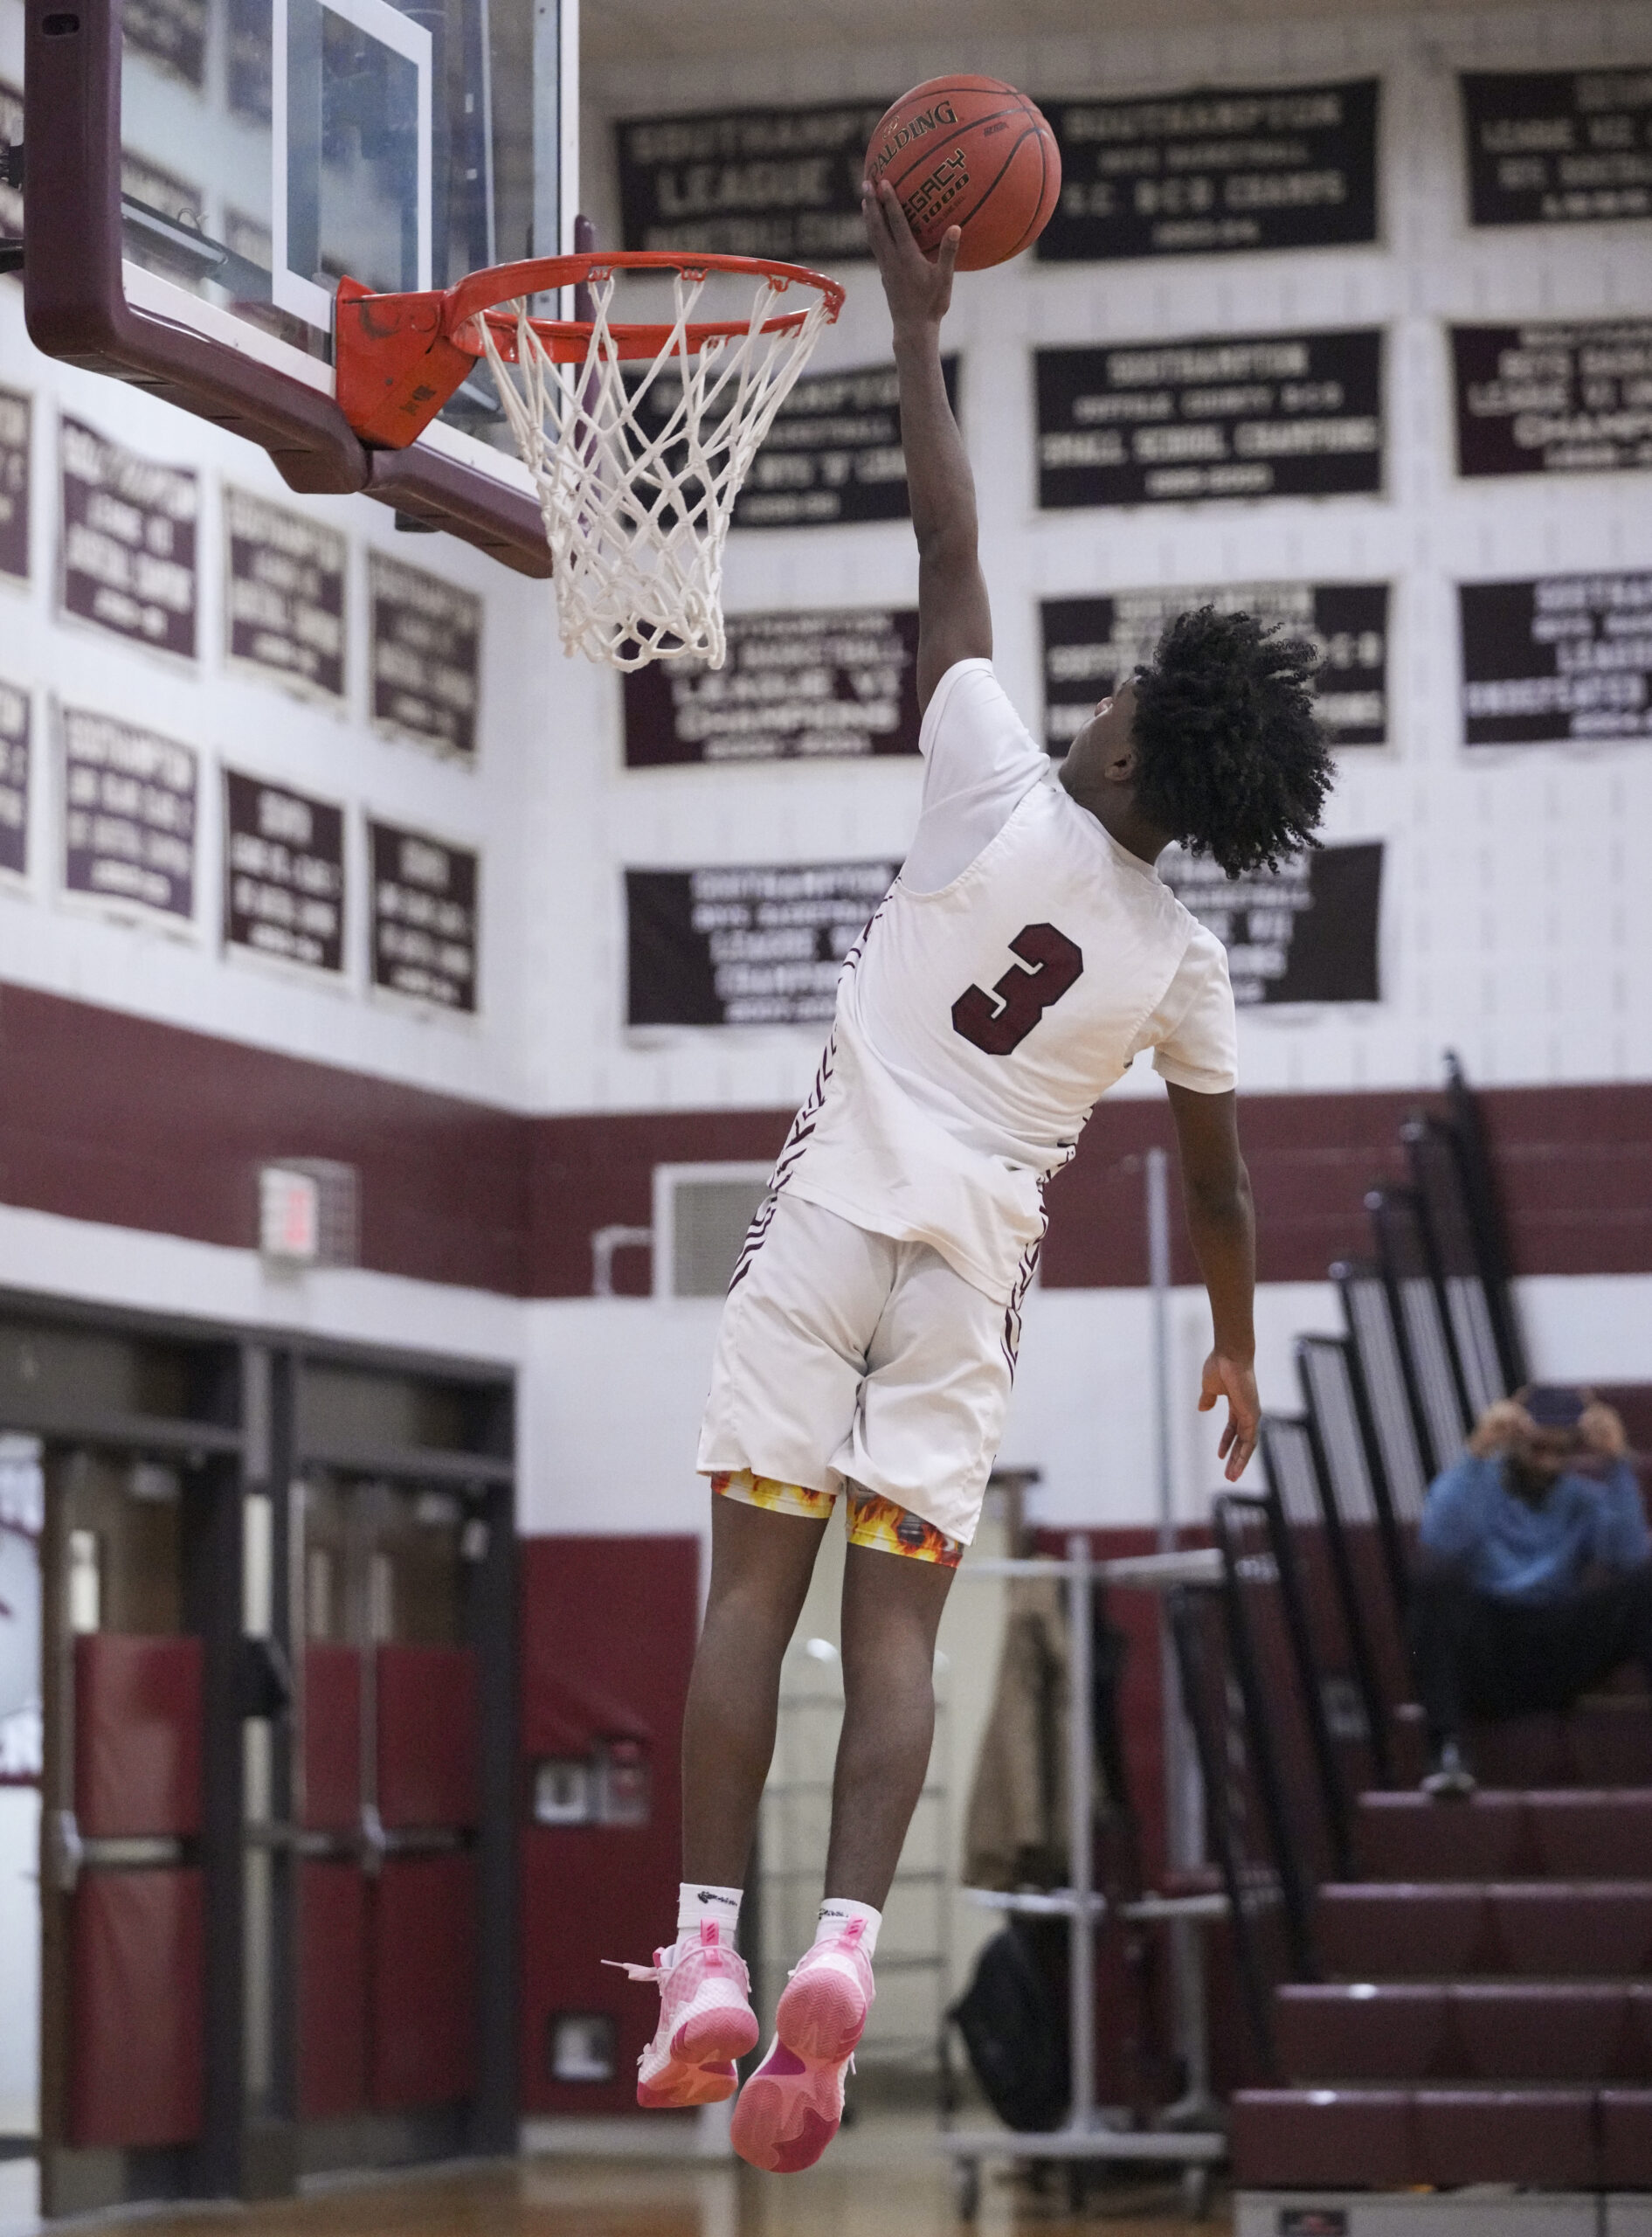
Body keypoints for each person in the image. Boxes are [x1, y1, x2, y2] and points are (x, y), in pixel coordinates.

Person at [617, 181, 1336, 2176]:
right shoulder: (1181, 964)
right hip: (969, 1276)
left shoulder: (992, 771)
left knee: (744, 1597)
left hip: (831, 1223)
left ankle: (701, 1961)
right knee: (906, 1637)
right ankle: (848, 1943)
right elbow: (1225, 1185)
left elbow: (949, 536)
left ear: (1122, 738)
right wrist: (1235, 1352)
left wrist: (915, 326)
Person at [1411, 1385, 1649, 1798]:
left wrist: (1615, 1461)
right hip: (1491, 1650)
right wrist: (1477, 1453)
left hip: (1559, 1646)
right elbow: (1440, 1541)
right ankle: (1447, 1752)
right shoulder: (1478, 1487)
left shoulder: (1583, 1498)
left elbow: (1628, 1558)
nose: (1548, 1462)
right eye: (1538, 1448)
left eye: (1560, 1452)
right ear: (1514, 1441)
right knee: (1435, 1581)